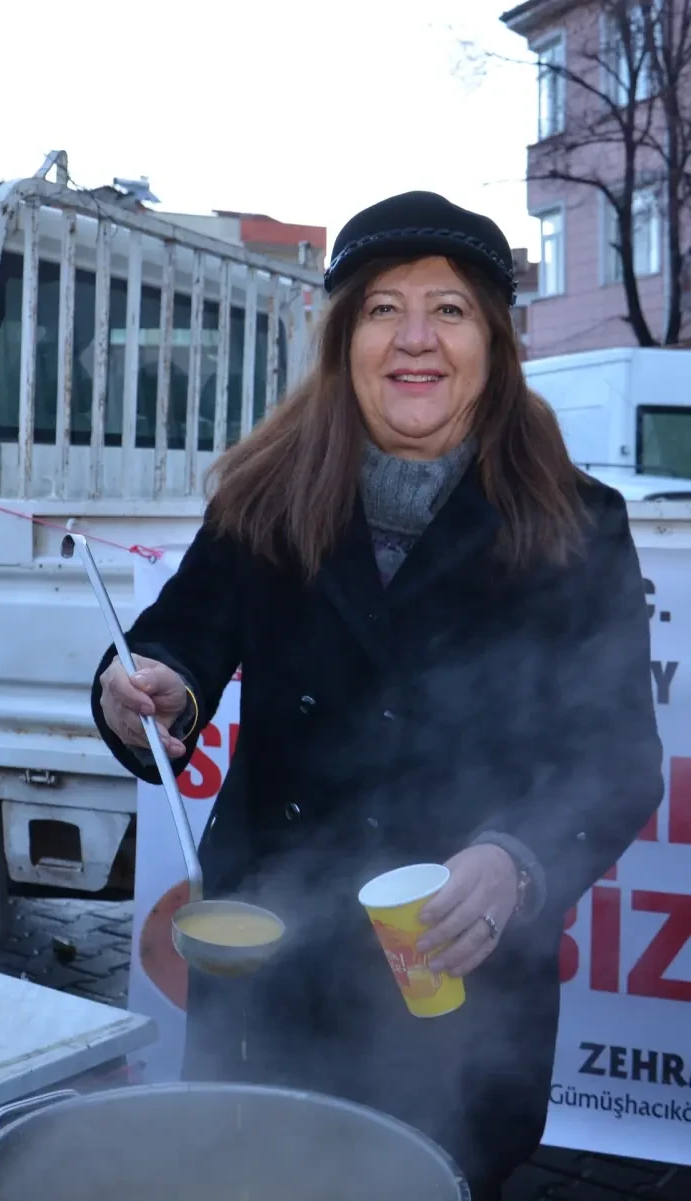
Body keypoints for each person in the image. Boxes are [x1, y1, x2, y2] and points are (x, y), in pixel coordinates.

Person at [91, 191, 664, 1200]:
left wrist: (516, 860)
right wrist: (146, 688)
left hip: (458, 992)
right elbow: (176, 640)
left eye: (449, 309)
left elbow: (616, 758)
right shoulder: (264, 495)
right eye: (381, 308)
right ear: (342, 337)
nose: (414, 339)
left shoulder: (576, 524)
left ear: (495, 342)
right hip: (270, 977)